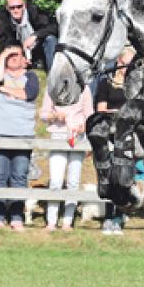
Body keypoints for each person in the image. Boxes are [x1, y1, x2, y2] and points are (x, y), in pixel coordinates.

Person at [0, 44, 39, 232]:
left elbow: (27, 94)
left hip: (23, 135)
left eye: (19, 55)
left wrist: (2, 89)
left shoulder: (30, 77)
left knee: (19, 176)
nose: (15, 58)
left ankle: (17, 218)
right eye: (11, 56)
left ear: (26, 60)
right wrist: (5, 53)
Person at [38, 84, 93, 231]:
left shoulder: (84, 88)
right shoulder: (52, 87)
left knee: (73, 181)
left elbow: (90, 115)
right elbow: (43, 114)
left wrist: (85, 128)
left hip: (78, 137)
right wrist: (55, 116)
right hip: (58, 135)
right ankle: (51, 221)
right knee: (56, 180)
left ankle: (68, 222)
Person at [94, 46, 136, 235]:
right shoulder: (106, 83)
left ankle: (119, 217)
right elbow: (101, 109)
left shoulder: (136, 85)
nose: (128, 67)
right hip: (110, 133)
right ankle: (109, 217)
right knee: (110, 178)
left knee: (125, 178)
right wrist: (121, 113)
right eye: (126, 63)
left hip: (129, 136)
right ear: (118, 62)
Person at [0, 0, 59, 70]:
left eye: (19, 7)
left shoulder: (34, 11)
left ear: (24, 5)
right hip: (17, 51)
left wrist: (35, 36)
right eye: (12, 8)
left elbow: (53, 27)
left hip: (38, 49)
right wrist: (19, 56)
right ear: (7, 8)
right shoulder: (3, 17)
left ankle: (52, 71)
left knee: (50, 39)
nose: (16, 10)